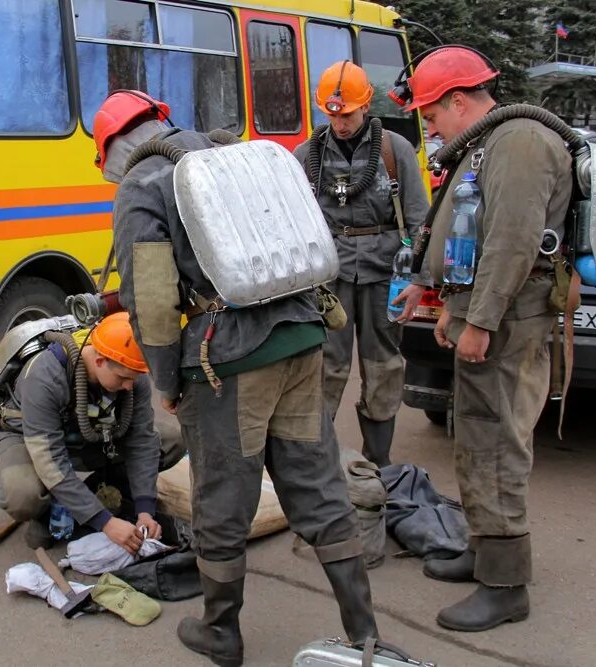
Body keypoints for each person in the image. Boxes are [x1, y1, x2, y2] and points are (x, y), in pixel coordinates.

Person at [94, 89, 378, 666]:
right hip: (302, 339)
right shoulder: (232, 151)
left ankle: (221, 631)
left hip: (231, 364)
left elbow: (149, 299)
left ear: (112, 148)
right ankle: (364, 632)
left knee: (223, 496)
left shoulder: (143, 183)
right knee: (318, 486)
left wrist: (167, 380)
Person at [395, 46, 572, 631]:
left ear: (459, 99)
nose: (431, 127)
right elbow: (468, 230)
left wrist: (483, 320)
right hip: (489, 315)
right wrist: (451, 306)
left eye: (432, 115)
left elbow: (512, 242)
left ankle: (506, 586)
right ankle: (484, 548)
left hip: (511, 324)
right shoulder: (487, 143)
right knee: (474, 435)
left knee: (496, 445)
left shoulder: (519, 142)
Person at [292, 61, 430, 466]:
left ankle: (378, 462)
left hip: (383, 274)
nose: (339, 123)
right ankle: (316, 462)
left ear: (365, 105)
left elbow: (421, 219)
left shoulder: (394, 150)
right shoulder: (307, 155)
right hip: (328, 278)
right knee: (325, 366)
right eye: (331, 114)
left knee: (383, 365)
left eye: (347, 114)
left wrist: (419, 280)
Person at [0, 312, 183, 554]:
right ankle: (46, 511)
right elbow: (49, 460)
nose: (128, 387)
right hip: (30, 440)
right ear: (100, 361)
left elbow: (142, 441)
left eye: (133, 380)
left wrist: (145, 508)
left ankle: (97, 494)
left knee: (171, 441)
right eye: (123, 379)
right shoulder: (45, 376)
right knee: (22, 495)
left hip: (88, 435)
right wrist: (106, 523)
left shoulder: (131, 375)